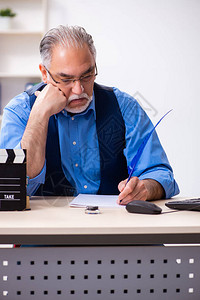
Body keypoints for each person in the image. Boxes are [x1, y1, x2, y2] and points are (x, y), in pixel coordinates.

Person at [0, 25, 179, 204]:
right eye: (66, 79)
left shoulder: (124, 107)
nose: (78, 90)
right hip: (43, 227)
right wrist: (39, 115)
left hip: (113, 224)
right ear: (44, 74)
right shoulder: (20, 111)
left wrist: (146, 187)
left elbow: (161, 174)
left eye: (87, 76)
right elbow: (9, 187)